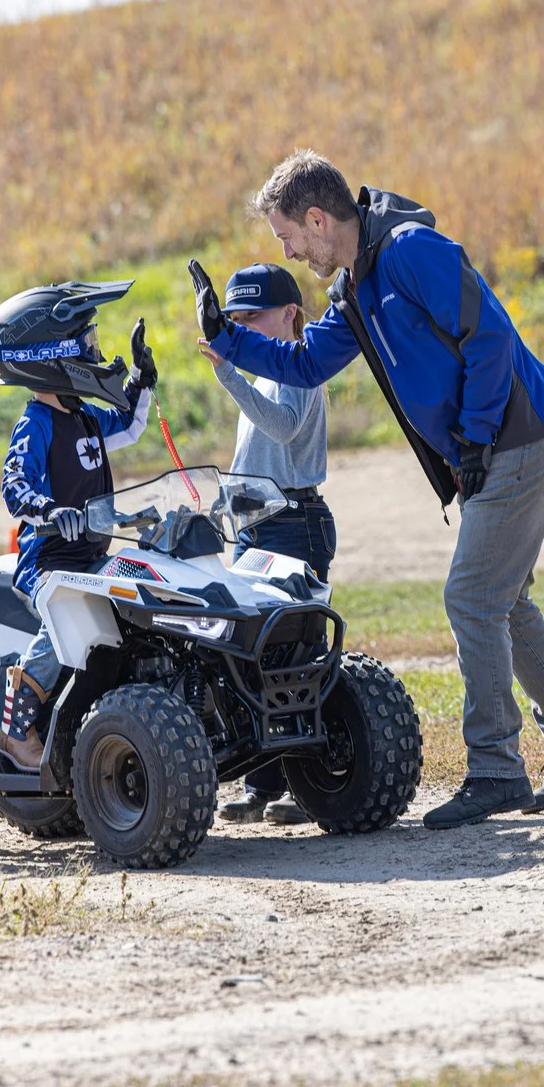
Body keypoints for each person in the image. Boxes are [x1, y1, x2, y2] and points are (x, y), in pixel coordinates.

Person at [192, 149, 544, 828]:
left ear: (317, 219)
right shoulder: (354, 287)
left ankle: (497, 770)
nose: (289, 252)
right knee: (503, 598)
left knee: (472, 597)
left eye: (287, 237)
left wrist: (476, 436)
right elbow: (306, 363)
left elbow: (489, 336)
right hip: (507, 444)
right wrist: (227, 340)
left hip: (525, 437)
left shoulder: (411, 250)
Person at [0, 282, 156, 771]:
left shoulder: (82, 415)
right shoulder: (36, 422)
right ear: (52, 356)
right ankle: (15, 730)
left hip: (90, 557)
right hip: (49, 561)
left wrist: (142, 378)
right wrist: (47, 510)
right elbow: (14, 483)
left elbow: (130, 425)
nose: (95, 351)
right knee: (69, 613)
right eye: (87, 342)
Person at [201, 262, 333, 827]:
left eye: (252, 316)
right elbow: (253, 464)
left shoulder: (301, 365)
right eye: (235, 320)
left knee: (295, 661)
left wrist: (229, 375)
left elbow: (282, 428)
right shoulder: (260, 377)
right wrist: (219, 505)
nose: (242, 327)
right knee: (251, 660)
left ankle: (307, 786)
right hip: (257, 526)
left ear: (289, 314)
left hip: (295, 524)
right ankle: (262, 784)